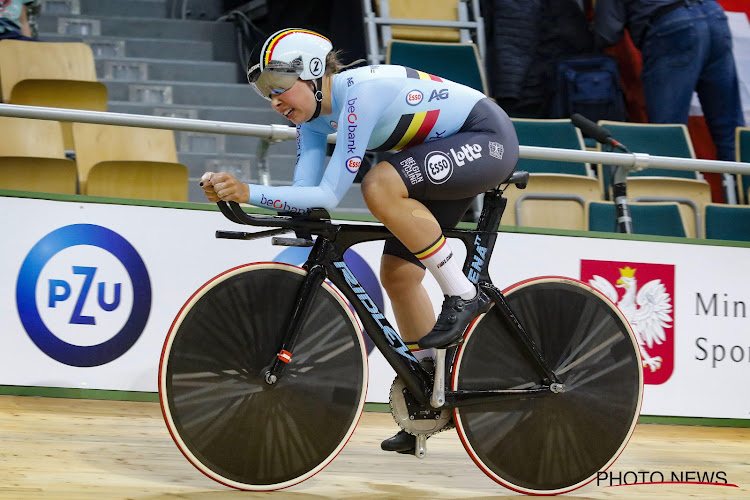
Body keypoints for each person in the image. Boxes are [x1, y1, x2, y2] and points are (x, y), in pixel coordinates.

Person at [199, 28, 519, 454]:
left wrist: (248, 191)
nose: (274, 101)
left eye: (279, 86)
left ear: (313, 74)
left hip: (486, 139)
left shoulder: (358, 96)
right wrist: (235, 195)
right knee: (400, 276)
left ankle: (462, 293)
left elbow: (329, 195)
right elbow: (304, 200)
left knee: (378, 184)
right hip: (441, 154)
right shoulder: (311, 121)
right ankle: (427, 397)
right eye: (265, 92)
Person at [593, 0, 745, 162]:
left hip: (671, 25)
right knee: (730, 128)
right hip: (714, 15)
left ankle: (676, 185)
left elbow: (607, 32)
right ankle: (744, 184)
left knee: (668, 132)